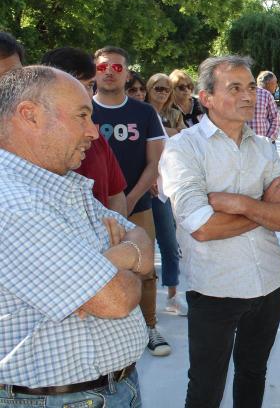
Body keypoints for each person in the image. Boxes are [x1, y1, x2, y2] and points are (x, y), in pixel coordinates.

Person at [0, 66, 154, 407]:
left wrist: (109, 261)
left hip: (106, 390)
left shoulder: (61, 184)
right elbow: (118, 299)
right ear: (29, 115)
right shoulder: (13, 203)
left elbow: (142, 239)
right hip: (60, 399)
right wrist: (123, 262)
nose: (94, 132)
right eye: (82, 116)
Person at [160, 55, 280, 408]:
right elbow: (203, 227)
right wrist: (265, 206)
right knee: (207, 387)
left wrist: (240, 204)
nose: (247, 95)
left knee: (253, 374)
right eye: (235, 87)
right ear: (205, 97)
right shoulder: (183, 148)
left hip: (269, 283)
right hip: (215, 288)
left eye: (251, 87)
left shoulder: (263, 147)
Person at [93, 46, 171, 357]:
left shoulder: (144, 113)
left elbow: (154, 163)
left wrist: (128, 199)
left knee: (144, 268)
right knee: (96, 269)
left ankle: (149, 326)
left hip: (137, 205)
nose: (109, 72)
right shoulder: (84, 109)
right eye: (102, 67)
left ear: (127, 72)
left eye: (116, 67)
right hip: (90, 209)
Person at [41, 46, 128, 216]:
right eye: (75, 85)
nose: (85, 94)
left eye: (89, 85)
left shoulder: (97, 139)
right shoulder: (32, 147)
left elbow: (116, 195)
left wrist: (119, 233)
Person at [145, 73, 186, 315]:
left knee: (170, 244)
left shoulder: (173, 113)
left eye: (166, 88)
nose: (162, 92)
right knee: (144, 246)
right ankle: (145, 305)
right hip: (143, 187)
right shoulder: (139, 112)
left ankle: (172, 296)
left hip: (165, 187)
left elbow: (184, 139)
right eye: (157, 88)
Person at [249, 71, 280, 141]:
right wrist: (269, 140)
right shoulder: (267, 95)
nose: (276, 85)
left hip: (259, 143)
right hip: (257, 142)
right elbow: (275, 119)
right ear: (269, 83)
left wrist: (269, 140)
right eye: (275, 82)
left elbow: (275, 119)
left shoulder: (267, 95)